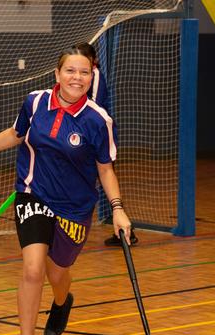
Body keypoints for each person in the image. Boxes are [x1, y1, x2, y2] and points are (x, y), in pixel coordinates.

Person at [0, 46, 132, 335]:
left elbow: (105, 169)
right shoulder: (35, 102)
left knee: (57, 273)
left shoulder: (98, 121)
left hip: (74, 207)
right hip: (33, 194)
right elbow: (16, 134)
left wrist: (117, 208)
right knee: (33, 270)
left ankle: (62, 303)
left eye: (84, 72)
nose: (77, 77)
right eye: (70, 71)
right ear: (57, 74)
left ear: (91, 77)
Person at [73, 42, 139, 247]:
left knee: (103, 178)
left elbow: (92, 105)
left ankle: (126, 231)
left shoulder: (96, 76)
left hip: (95, 138)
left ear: (93, 62)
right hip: (81, 136)